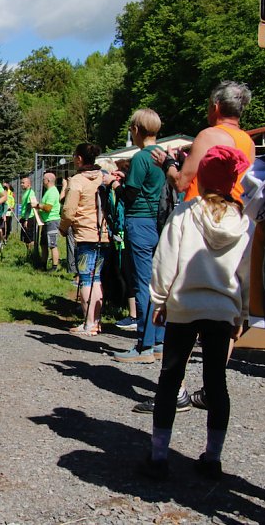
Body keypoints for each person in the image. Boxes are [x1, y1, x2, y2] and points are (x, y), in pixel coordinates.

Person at [138, 146, 252, 481]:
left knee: (170, 377)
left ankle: (159, 457)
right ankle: (212, 459)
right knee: (217, 382)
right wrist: (240, 314)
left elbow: (165, 259)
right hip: (222, 309)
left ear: (201, 179)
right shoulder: (242, 221)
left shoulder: (186, 214)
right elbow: (246, 273)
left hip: (184, 305)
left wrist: (159, 301)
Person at [110, 109, 166, 364]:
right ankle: (159, 340)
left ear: (135, 130)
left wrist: (115, 185)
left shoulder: (141, 157)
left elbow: (130, 195)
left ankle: (144, 344)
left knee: (142, 283)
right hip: (156, 221)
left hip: (138, 222)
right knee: (157, 283)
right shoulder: (160, 157)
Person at [59, 144, 111, 336]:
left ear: (79, 159)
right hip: (103, 234)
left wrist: (63, 228)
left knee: (86, 279)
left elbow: (69, 210)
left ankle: (89, 323)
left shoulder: (77, 181)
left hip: (85, 235)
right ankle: (96, 321)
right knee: (96, 278)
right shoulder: (102, 177)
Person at [38, 172, 61, 270]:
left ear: (48, 180)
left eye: (43, 179)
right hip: (46, 221)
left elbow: (48, 208)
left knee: (52, 244)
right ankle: (43, 264)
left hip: (52, 221)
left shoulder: (52, 192)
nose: (43, 181)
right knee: (43, 244)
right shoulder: (48, 191)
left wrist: (38, 205)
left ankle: (54, 266)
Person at [19, 175, 38, 252]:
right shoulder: (25, 192)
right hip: (25, 217)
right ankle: (28, 253)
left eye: (23, 183)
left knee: (30, 238)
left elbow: (29, 206)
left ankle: (33, 254)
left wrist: (26, 219)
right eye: (21, 183)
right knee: (26, 239)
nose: (21, 184)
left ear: (28, 184)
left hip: (29, 218)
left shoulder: (30, 193)